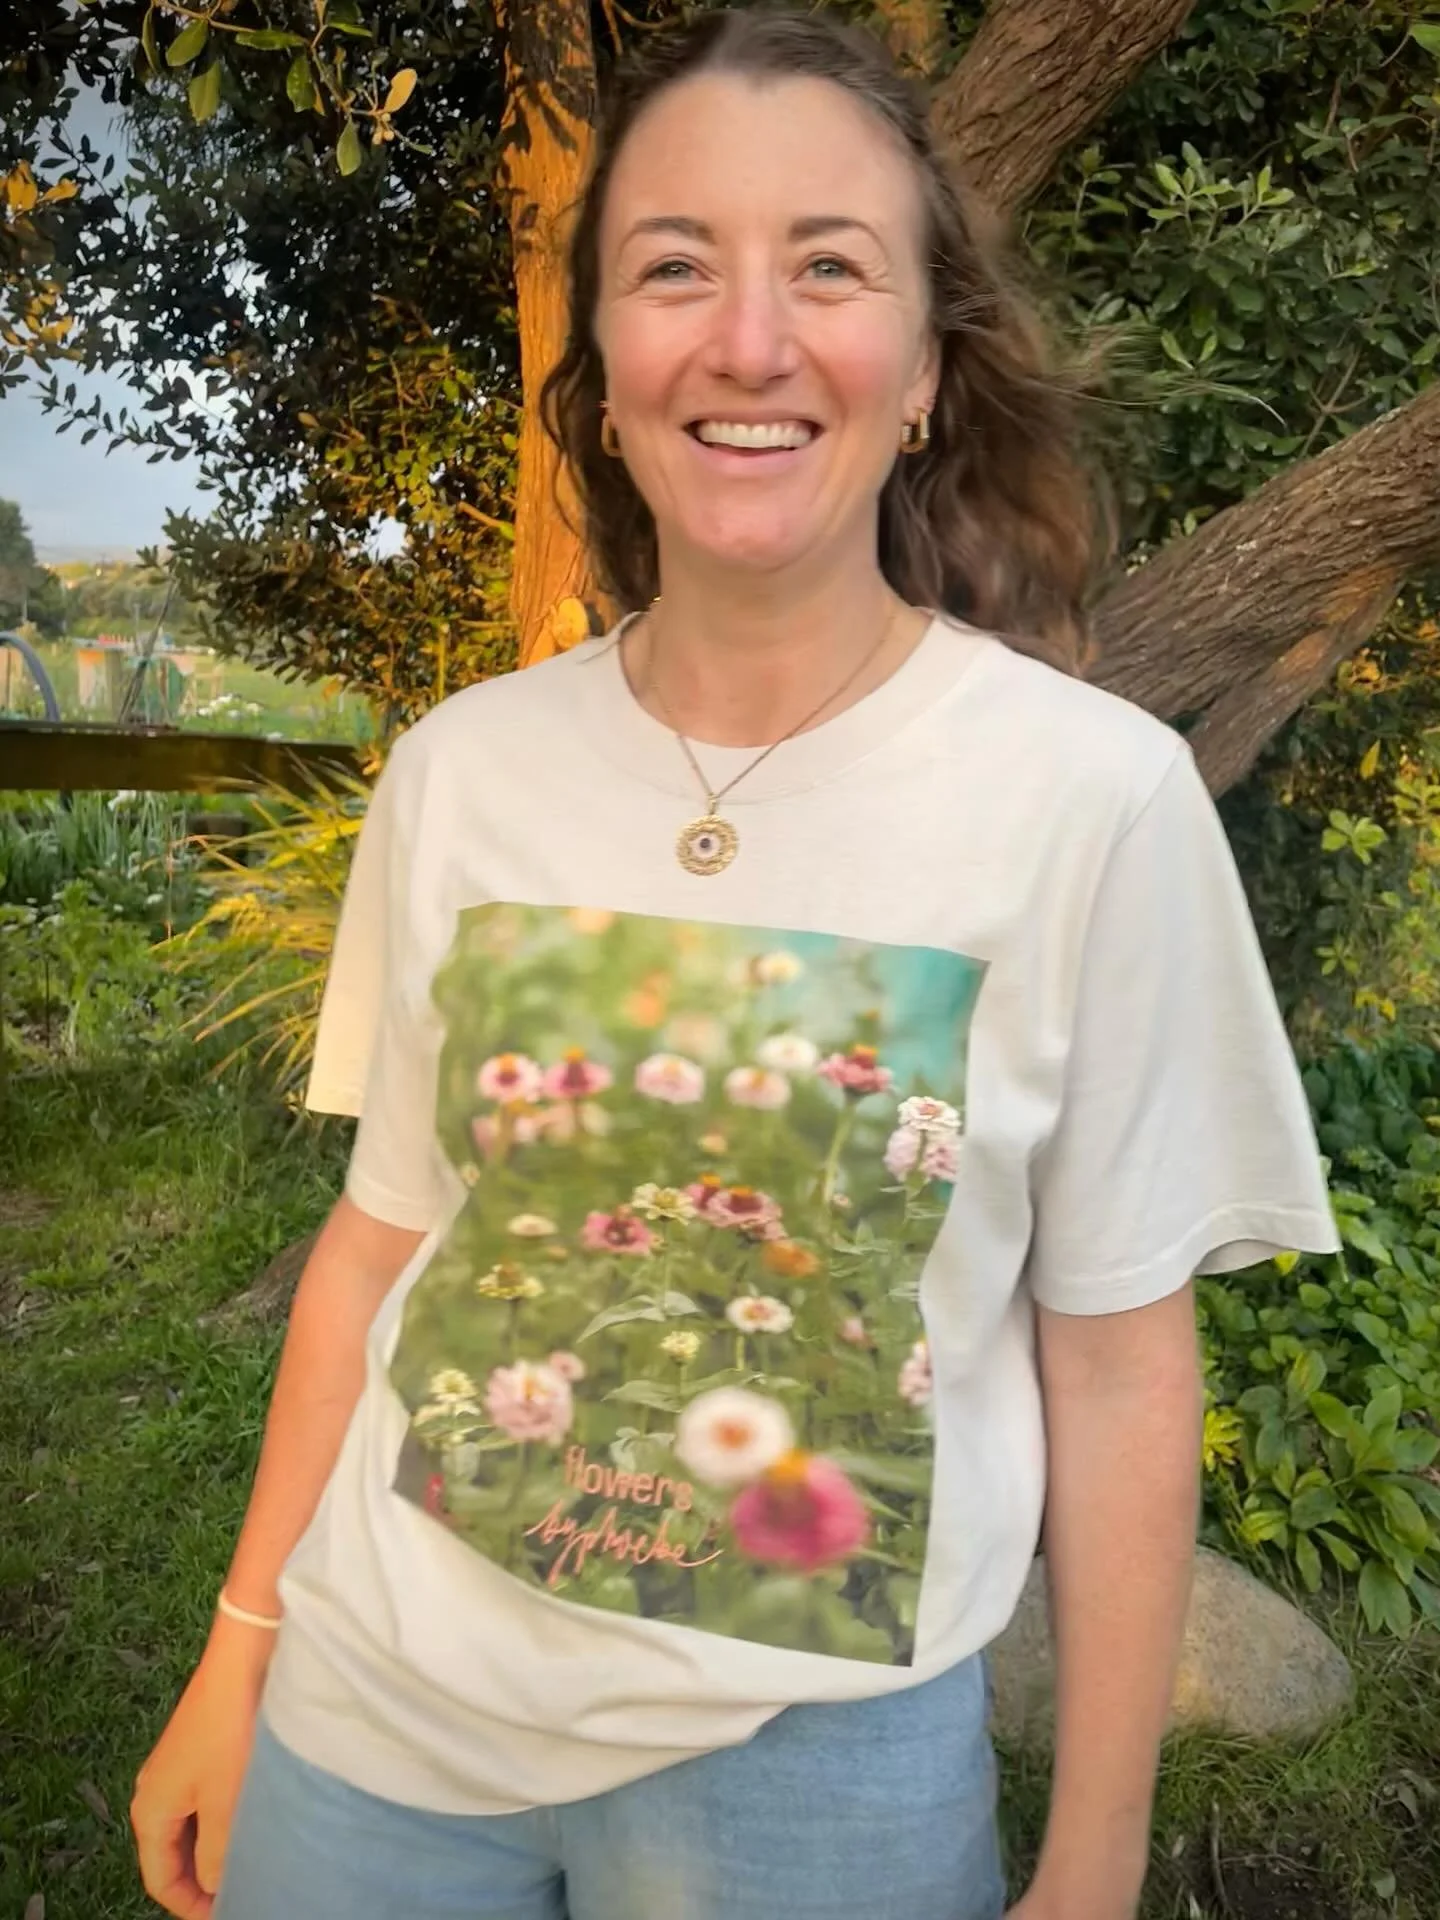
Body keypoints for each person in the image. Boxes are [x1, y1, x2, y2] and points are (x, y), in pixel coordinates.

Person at [130, 10, 1340, 1919]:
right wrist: (239, 1649)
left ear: (928, 370)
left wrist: (1095, 1857)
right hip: (366, 1730)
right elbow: (383, 1245)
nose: (749, 339)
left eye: (829, 267)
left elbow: (1117, 1361)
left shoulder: (1090, 803)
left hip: (819, 1782)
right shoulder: (462, 772)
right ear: (603, 367)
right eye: (674, 265)